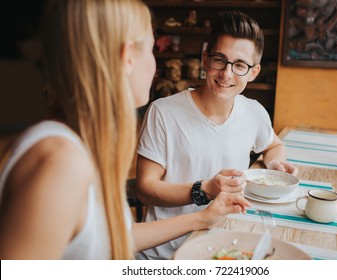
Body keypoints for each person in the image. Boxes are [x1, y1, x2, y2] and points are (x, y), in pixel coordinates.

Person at [0, 0, 250, 260]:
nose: (154, 66)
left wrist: (202, 218)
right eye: (152, 50)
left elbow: (112, 237)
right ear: (128, 56)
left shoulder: (82, 144)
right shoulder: (61, 162)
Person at [136, 10, 298, 260]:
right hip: (164, 254)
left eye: (240, 65)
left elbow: (273, 145)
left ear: (253, 72)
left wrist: (273, 162)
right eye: (219, 60)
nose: (226, 74)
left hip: (223, 248)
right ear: (204, 59)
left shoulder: (253, 112)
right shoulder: (163, 112)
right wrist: (204, 189)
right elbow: (145, 189)